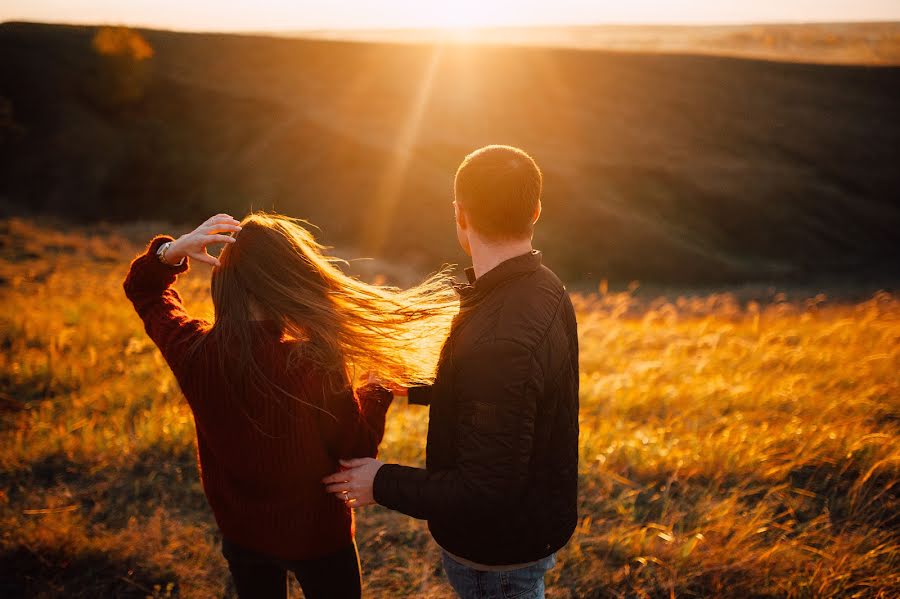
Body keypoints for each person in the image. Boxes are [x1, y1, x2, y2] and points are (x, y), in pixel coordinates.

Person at [123, 212, 456, 599]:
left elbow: (146, 293)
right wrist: (376, 387)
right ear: (288, 283)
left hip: (241, 533)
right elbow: (357, 450)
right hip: (319, 539)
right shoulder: (313, 363)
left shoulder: (192, 349)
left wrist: (171, 251)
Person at [324, 145, 580, 599]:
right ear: (535, 210)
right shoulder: (544, 285)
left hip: (497, 556)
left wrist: (379, 481)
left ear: (460, 213)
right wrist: (420, 387)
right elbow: (520, 395)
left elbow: (485, 491)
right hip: (526, 529)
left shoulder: (502, 337)